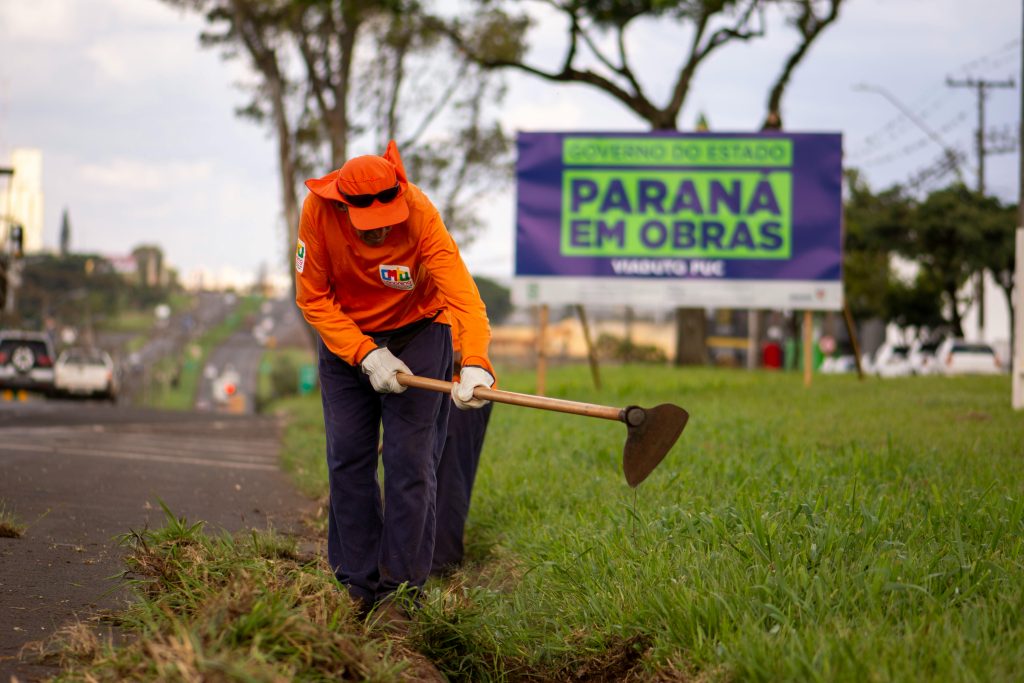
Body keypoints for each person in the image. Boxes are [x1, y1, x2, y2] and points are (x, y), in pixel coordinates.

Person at [294, 140, 496, 620]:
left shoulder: (421, 212)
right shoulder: (318, 214)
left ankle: (400, 596)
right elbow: (313, 298)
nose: (381, 227)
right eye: (369, 222)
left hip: (421, 332)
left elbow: (462, 295)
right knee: (348, 458)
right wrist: (365, 353)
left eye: (387, 217)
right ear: (344, 207)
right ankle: (356, 584)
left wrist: (475, 360)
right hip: (349, 340)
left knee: (410, 464)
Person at [431, 321, 494, 577]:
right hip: (426, 388)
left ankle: (441, 565)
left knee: (449, 477)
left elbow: (460, 347)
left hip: (462, 394)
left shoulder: (449, 291)